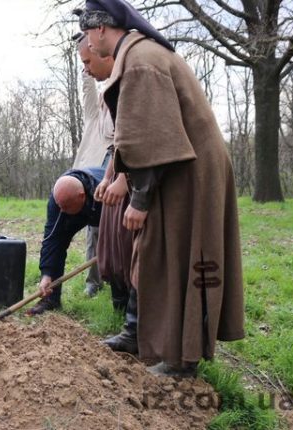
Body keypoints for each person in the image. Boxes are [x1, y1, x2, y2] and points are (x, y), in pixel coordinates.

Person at [79, 0, 245, 377]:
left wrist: (138, 200)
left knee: (183, 260)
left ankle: (181, 360)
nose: (88, 43)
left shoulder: (140, 61)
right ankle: (146, 337)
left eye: (89, 33)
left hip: (191, 174)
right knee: (156, 255)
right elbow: (137, 135)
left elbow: (155, 138)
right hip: (182, 169)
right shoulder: (138, 55)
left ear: (101, 29)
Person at [73, 29, 137, 353]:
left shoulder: (130, 83)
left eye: (89, 59)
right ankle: (117, 303)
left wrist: (122, 178)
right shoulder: (100, 99)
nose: (86, 68)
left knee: (127, 249)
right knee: (104, 242)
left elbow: (132, 140)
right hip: (106, 177)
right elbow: (116, 146)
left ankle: (135, 320)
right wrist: (109, 176)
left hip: (131, 180)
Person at [26, 168, 108, 316]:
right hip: (78, 207)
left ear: (81, 196)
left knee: (117, 254)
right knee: (58, 242)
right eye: (60, 206)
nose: (61, 211)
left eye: (66, 207)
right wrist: (46, 274)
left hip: (104, 206)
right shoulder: (60, 202)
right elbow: (52, 240)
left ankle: (124, 303)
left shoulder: (104, 190)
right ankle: (51, 299)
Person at [72, 33, 117, 299]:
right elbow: (88, 83)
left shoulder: (121, 112)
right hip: (91, 178)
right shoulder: (93, 114)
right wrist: (86, 44)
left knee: (116, 231)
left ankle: (118, 279)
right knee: (95, 230)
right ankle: (94, 281)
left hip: (116, 176)